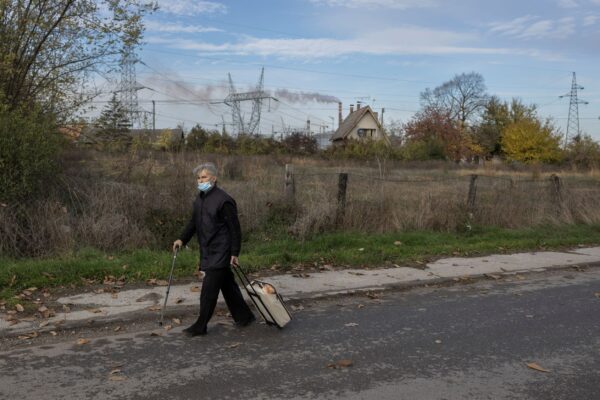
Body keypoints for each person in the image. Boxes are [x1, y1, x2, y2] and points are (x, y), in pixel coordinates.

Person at [173, 162, 255, 337]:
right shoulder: (200, 198)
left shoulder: (224, 200)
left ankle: (200, 326)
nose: (200, 180)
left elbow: (235, 229)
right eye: (198, 178)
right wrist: (182, 238)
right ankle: (245, 317)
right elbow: (193, 223)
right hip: (208, 249)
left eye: (204, 177)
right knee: (227, 285)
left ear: (214, 178)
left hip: (221, 250)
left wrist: (234, 252)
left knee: (209, 290)